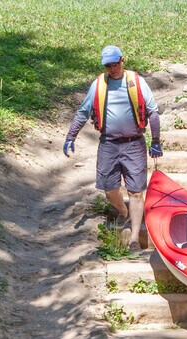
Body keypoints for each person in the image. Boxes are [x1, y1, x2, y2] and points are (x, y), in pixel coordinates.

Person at [63, 45, 162, 252]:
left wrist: (156, 141)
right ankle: (122, 211)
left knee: (136, 191)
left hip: (134, 143)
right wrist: (71, 136)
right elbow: (83, 111)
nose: (112, 68)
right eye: (108, 65)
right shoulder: (99, 85)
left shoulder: (137, 82)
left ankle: (134, 238)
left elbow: (152, 112)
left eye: (115, 63)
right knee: (109, 189)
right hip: (108, 143)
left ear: (122, 60)